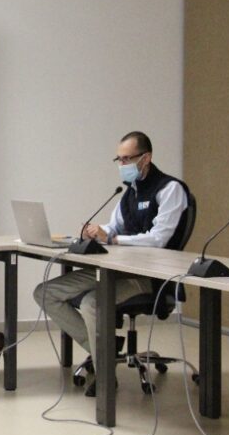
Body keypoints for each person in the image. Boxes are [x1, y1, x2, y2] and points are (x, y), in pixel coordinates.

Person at [33, 131, 189, 396]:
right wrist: (96, 231)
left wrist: (114, 239)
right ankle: (105, 349)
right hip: (114, 270)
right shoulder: (129, 193)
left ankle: (105, 372)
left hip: (148, 278)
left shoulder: (170, 189)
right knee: (45, 292)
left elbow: (159, 239)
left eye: (128, 159)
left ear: (146, 158)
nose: (122, 165)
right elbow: (114, 227)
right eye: (119, 159)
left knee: (91, 303)